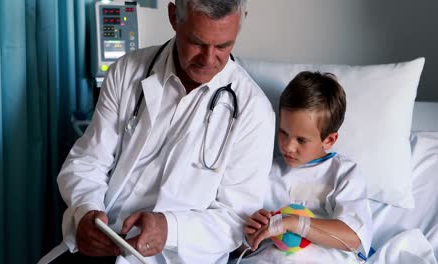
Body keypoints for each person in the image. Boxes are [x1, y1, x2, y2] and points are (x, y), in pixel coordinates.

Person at [38, 0, 275, 263]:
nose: (209, 60)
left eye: (223, 46)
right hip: (105, 241)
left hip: (175, 256)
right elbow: (88, 161)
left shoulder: (254, 112)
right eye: (197, 42)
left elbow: (236, 220)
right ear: (174, 16)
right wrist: (85, 211)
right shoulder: (127, 71)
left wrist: (169, 228)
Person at [235, 71, 372, 263]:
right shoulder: (265, 172)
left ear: (329, 140)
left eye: (301, 140)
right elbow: (241, 247)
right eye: (283, 133)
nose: (288, 146)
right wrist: (249, 237)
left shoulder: (343, 174)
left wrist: (293, 223)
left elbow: (352, 237)